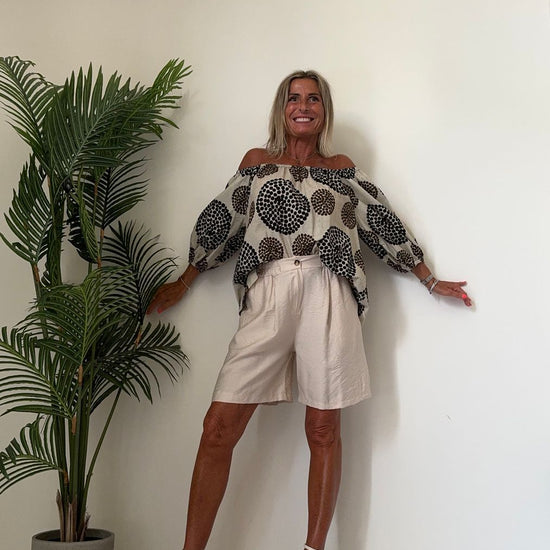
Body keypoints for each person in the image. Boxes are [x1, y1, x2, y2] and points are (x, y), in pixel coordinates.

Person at [148, 70, 472, 550]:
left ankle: (313, 547)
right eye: (294, 98)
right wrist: (184, 279)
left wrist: (428, 279)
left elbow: (382, 221)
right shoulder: (257, 163)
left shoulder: (341, 168)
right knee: (217, 428)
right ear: (282, 109)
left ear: (324, 111)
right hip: (269, 290)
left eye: (314, 99)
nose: (304, 106)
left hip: (329, 290)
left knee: (323, 429)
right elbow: (221, 220)